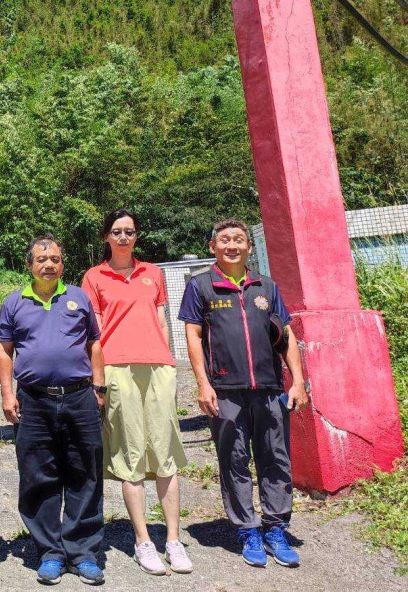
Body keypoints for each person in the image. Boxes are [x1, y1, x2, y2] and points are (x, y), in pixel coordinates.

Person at [179, 218, 309, 569]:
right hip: (225, 391)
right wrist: (203, 384)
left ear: (249, 247)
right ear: (212, 247)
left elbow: (286, 335)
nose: (231, 245)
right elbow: (193, 336)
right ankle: (247, 530)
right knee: (234, 462)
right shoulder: (200, 286)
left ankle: (276, 527)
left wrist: (297, 381)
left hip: (269, 389)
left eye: (238, 239)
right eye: (224, 240)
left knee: (275, 460)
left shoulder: (266, 286)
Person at [81, 210, 191, 576]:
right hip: (117, 367)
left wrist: (170, 361)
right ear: (106, 238)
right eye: (117, 232)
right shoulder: (94, 277)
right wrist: (96, 378)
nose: (124, 237)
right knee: (131, 455)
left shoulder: (154, 273)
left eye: (129, 231)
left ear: (136, 236)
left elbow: (161, 320)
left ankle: (173, 540)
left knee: (165, 454)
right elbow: (92, 333)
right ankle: (143, 541)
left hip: (158, 367)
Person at [0, 234, 106, 586]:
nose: (49, 264)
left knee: (84, 472)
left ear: (62, 263)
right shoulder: (14, 303)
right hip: (33, 399)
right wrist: (7, 394)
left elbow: (94, 343)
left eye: (55, 259)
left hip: (79, 396)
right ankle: (50, 552)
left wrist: (98, 388)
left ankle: (82, 551)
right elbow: (4, 350)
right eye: (41, 259)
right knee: (37, 475)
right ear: (29, 264)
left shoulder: (78, 297)